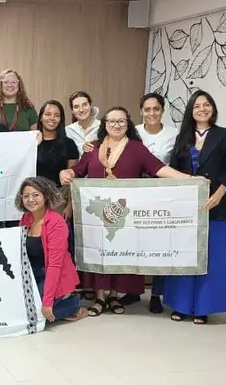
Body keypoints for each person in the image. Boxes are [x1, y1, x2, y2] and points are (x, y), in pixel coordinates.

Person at [59, 107, 190, 316]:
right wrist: (66, 172)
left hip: (124, 215)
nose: (116, 125)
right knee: (98, 252)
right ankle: (100, 297)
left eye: (121, 121)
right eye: (111, 121)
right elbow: (78, 170)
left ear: (128, 124)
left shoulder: (136, 148)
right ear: (105, 124)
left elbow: (158, 168)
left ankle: (114, 295)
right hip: (97, 214)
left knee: (120, 251)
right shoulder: (93, 147)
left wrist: (189, 179)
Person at [165, 91, 226, 324]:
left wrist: (219, 194)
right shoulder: (183, 138)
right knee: (184, 255)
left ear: (213, 108)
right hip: (186, 207)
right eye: (197, 106)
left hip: (216, 205)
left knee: (212, 258)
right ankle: (180, 305)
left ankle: (203, 308)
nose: (202, 109)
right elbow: (173, 170)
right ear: (191, 111)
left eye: (206, 104)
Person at [121, 92, 179, 311]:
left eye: (156, 109)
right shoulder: (133, 132)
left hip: (162, 195)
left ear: (162, 110)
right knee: (134, 243)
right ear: (141, 111)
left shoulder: (174, 134)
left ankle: (156, 293)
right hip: (136, 194)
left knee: (159, 246)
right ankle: (132, 291)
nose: (152, 113)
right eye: (147, 109)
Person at [16, 178, 87, 323]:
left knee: (34, 313)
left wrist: (47, 302)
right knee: (19, 309)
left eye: (36, 195)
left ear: (46, 196)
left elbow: (55, 266)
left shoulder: (56, 222)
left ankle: (73, 305)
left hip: (55, 275)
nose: (30, 200)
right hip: (33, 274)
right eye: (26, 196)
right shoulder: (25, 219)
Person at [36, 100, 79, 185]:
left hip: (60, 191)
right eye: (48, 114)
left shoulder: (69, 144)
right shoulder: (32, 142)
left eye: (57, 115)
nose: (52, 118)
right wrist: (34, 144)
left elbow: (71, 176)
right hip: (35, 191)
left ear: (60, 119)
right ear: (40, 118)